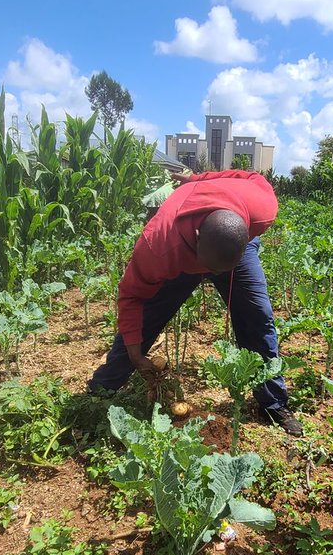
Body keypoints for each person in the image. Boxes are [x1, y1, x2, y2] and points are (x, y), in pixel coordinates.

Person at [88, 169, 303, 436]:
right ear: (199, 236)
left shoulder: (263, 209)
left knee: (257, 315)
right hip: (183, 249)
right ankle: (103, 388)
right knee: (148, 316)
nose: (212, 276)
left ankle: (272, 403)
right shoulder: (158, 246)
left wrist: (198, 178)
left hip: (227, 243)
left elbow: (248, 177)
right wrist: (135, 354)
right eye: (210, 269)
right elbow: (132, 297)